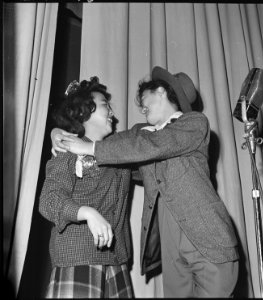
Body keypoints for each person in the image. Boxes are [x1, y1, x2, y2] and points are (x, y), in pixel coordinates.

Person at [51, 66, 240, 298]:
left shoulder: (194, 123)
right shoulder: (140, 134)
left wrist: (88, 148)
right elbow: (111, 144)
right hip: (170, 248)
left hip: (207, 239)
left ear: (160, 91)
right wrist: (58, 132)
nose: (141, 107)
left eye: (144, 99)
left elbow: (151, 146)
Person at [39, 76, 133, 298]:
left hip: (117, 261)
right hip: (78, 258)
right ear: (84, 113)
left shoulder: (119, 149)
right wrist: (87, 213)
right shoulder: (67, 151)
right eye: (105, 106)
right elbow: (49, 200)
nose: (112, 112)